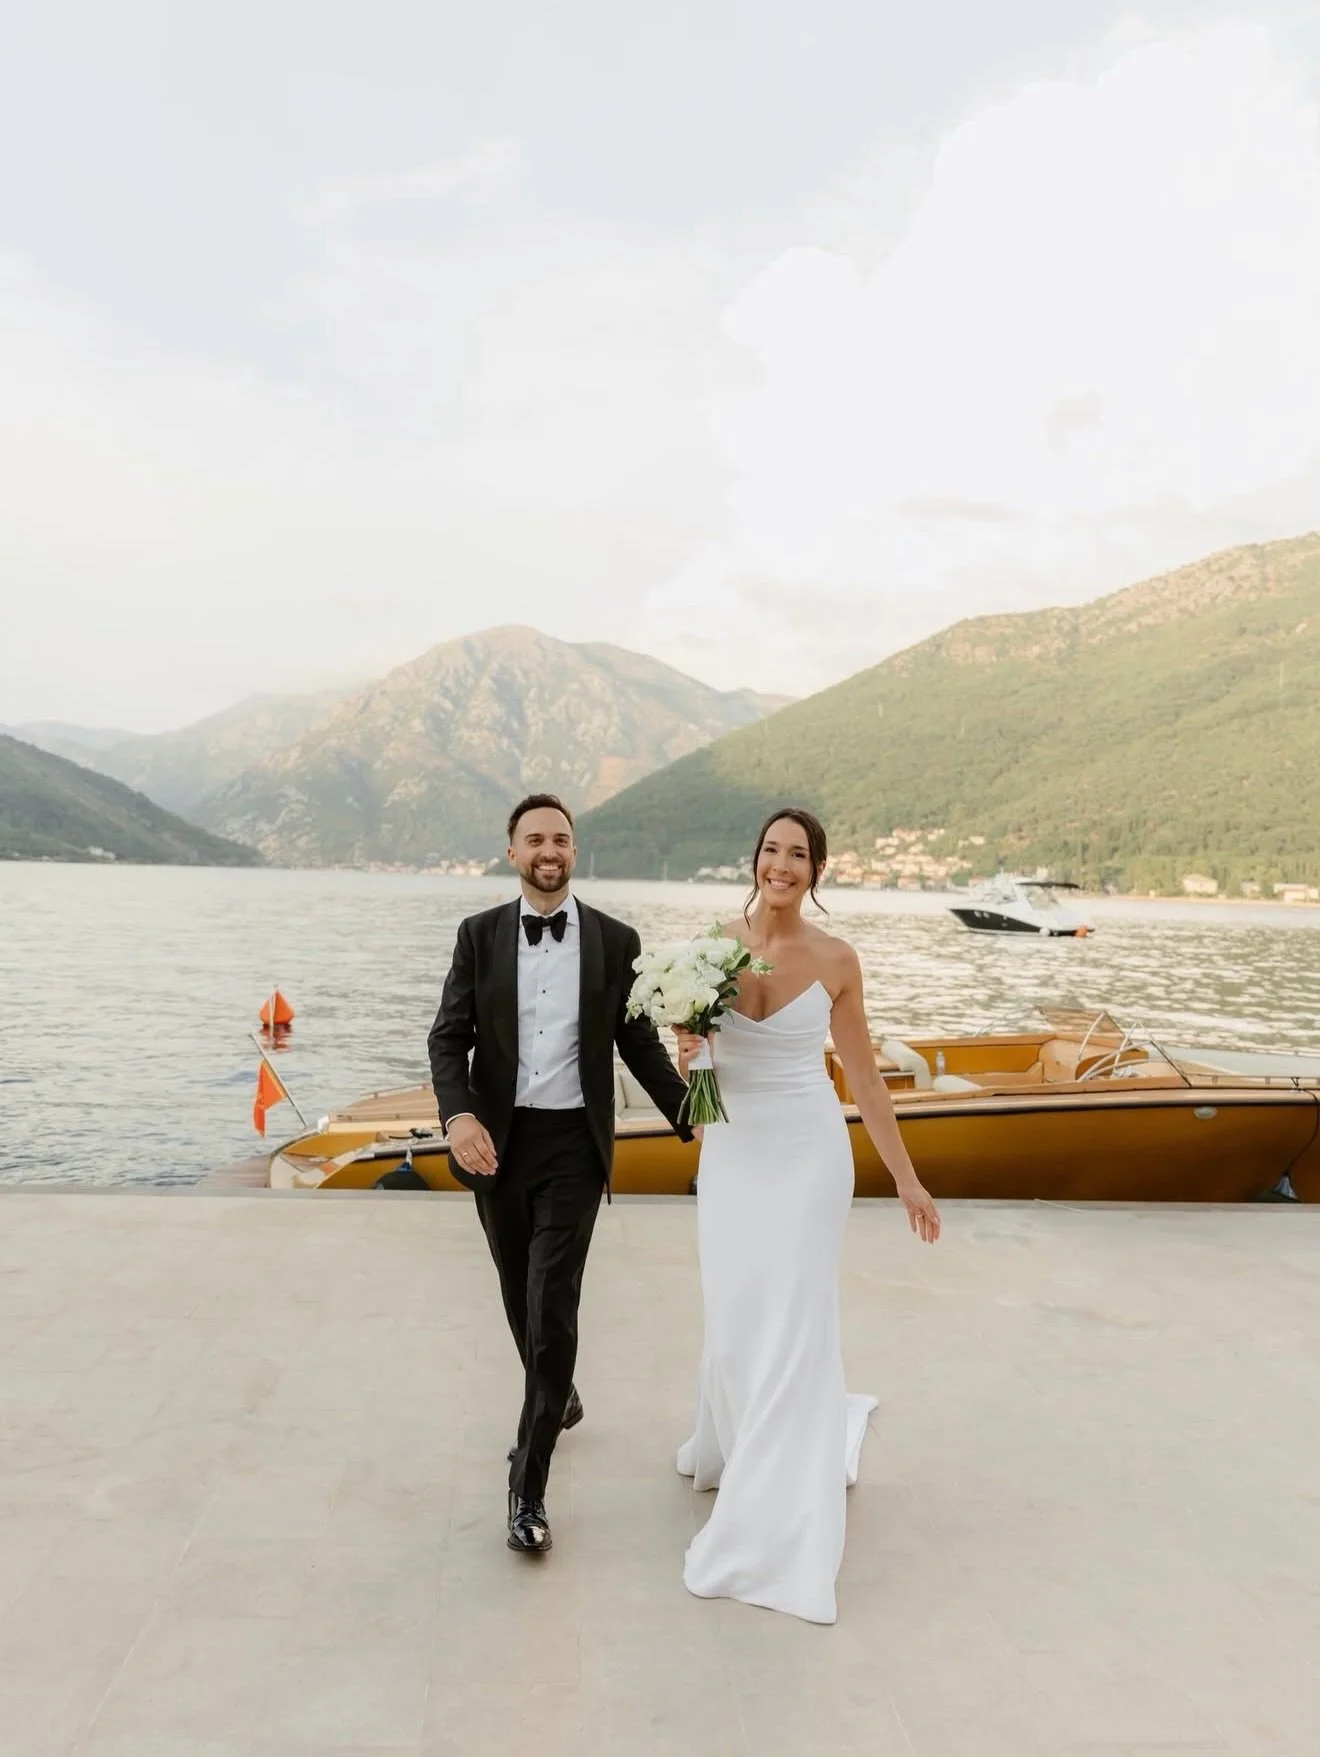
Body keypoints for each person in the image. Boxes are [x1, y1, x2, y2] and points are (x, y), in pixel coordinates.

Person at [672, 806, 940, 1624]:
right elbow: (700, 1075)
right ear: (753, 859)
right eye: (769, 850)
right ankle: (740, 1439)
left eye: (797, 855)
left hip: (807, 1156)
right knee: (736, 1310)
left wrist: (906, 1177)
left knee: (793, 1314)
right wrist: (690, 1049)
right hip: (731, 1156)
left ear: (816, 872)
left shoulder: (836, 959)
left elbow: (863, 1079)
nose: (780, 864)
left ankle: (776, 1497)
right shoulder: (708, 948)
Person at [427, 794, 693, 1556]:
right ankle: (559, 1395)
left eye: (562, 838)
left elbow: (640, 1045)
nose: (550, 849)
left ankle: (528, 1485)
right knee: (518, 1292)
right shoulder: (477, 936)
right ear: (511, 852)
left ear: (575, 852)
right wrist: (459, 1117)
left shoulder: (616, 940)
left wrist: (693, 1112)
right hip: (497, 1145)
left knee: (552, 1305)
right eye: (535, 838)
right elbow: (448, 1040)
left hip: (577, 1145)